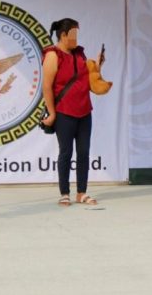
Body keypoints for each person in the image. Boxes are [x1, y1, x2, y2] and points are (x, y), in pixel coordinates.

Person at [41, 18, 103, 207]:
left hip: (85, 110)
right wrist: (51, 114)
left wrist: (98, 65)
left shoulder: (80, 54)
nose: (76, 37)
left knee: (84, 152)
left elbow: (86, 79)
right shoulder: (53, 55)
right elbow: (47, 87)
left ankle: (82, 192)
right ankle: (64, 193)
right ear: (63, 35)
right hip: (64, 112)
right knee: (65, 152)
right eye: (73, 33)